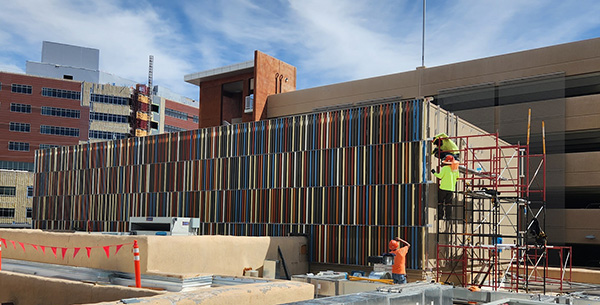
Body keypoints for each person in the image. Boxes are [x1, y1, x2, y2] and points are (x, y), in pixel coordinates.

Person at [432, 155, 459, 220]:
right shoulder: (455, 169)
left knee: (440, 202)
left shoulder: (445, 168)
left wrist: (434, 172)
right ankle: (448, 217)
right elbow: (457, 178)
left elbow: (440, 176)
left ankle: (440, 216)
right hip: (451, 189)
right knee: (448, 204)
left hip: (443, 188)